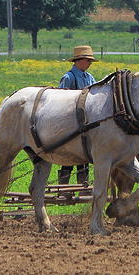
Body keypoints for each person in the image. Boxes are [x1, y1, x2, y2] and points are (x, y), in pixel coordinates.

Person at [56, 45, 97, 185]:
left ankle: (82, 185)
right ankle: (63, 187)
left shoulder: (90, 77)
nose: (90, 63)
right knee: (70, 155)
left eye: (90, 61)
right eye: (88, 61)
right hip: (71, 123)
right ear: (79, 60)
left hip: (86, 123)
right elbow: (60, 101)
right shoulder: (68, 77)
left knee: (84, 155)